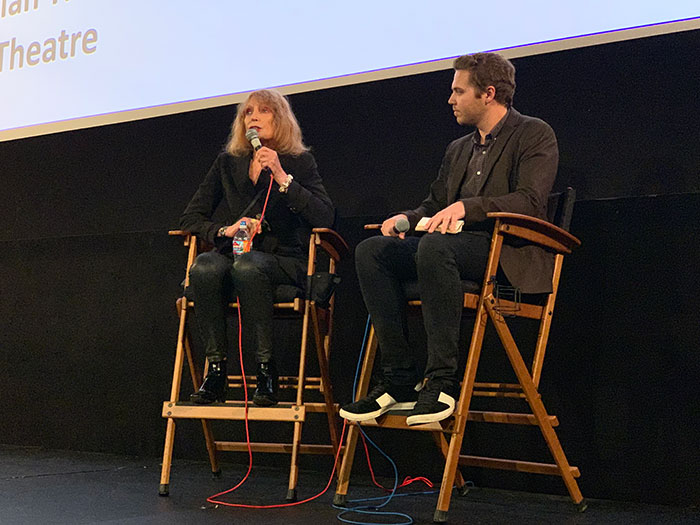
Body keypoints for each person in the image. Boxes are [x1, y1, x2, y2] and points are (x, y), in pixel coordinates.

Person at [339, 52, 558, 426]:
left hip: (503, 252)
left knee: (436, 246)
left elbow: (530, 201)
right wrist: (406, 219)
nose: (450, 99)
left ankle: (442, 380)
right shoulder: (457, 149)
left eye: (458, 91)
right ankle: (399, 376)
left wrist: (467, 208)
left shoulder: (534, 133)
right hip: (442, 249)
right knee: (373, 250)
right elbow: (433, 205)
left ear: (488, 93)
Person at [180, 89, 335, 406]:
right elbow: (191, 217)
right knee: (205, 267)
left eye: (263, 111)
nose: (253, 117)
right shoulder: (228, 163)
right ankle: (216, 374)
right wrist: (225, 229)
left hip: (283, 261)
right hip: (236, 254)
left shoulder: (299, 162)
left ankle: (266, 373)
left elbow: (324, 216)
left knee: (249, 266)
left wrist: (281, 175)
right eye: (248, 112)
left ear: (279, 119)